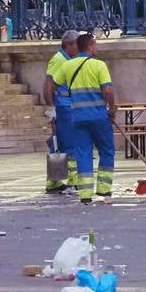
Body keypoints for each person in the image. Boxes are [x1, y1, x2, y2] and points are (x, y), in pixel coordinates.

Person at [55, 32, 116, 204]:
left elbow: (54, 83)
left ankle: (85, 194)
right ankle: (104, 190)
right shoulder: (99, 65)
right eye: (95, 44)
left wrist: (63, 100)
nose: (97, 47)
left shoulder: (68, 66)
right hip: (99, 116)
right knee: (106, 151)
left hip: (78, 118)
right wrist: (112, 109)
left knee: (83, 153)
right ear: (89, 46)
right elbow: (108, 90)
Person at [42, 30, 80, 193]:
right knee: (70, 142)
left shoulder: (68, 59)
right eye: (76, 45)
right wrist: (51, 107)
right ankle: (74, 180)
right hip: (63, 106)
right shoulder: (59, 60)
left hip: (66, 105)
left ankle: (54, 181)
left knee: (59, 144)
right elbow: (48, 85)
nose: (78, 48)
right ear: (68, 45)